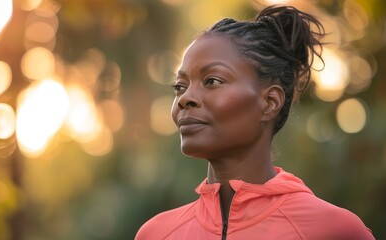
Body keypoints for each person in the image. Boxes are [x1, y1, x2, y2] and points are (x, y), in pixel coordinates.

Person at [135, 5, 375, 240]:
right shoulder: (156, 233)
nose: (185, 98)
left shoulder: (334, 231)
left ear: (270, 102)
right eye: (180, 86)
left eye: (212, 81)